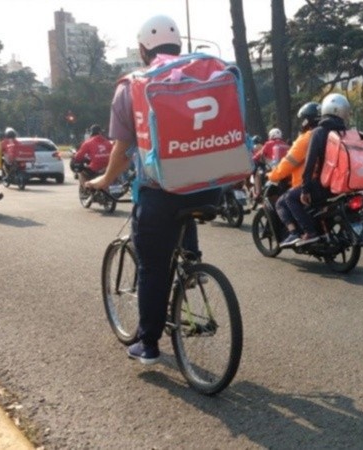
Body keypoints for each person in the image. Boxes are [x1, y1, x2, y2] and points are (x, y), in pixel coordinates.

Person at [87, 14, 221, 365]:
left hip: (160, 194)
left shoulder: (133, 85)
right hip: (210, 189)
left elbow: (123, 150)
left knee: (152, 267)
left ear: (142, 49)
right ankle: (191, 263)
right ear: (179, 46)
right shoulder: (202, 76)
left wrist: (104, 180)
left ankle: (147, 345)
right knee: (184, 205)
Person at [285, 93, 351, 247]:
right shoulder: (346, 133)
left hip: (324, 186)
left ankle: (309, 232)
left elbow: (310, 163)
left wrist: (305, 189)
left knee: (289, 197)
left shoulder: (319, 132)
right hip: (343, 185)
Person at [269, 102, 320, 246]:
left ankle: (297, 233)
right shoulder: (327, 134)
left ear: (306, 120)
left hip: (308, 182)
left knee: (283, 201)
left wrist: (272, 175)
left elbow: (288, 163)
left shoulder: (306, 138)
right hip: (326, 182)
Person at [73, 124, 113, 191]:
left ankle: (87, 188)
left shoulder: (88, 142)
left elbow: (78, 156)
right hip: (107, 168)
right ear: (100, 132)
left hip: (95, 168)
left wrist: (75, 158)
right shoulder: (108, 142)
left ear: (91, 133)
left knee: (81, 172)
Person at [252, 128, 289, 200]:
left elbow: (258, 155)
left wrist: (253, 159)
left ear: (271, 135)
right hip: (284, 169)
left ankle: (258, 193)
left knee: (257, 174)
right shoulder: (285, 145)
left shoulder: (268, 144)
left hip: (271, 168)